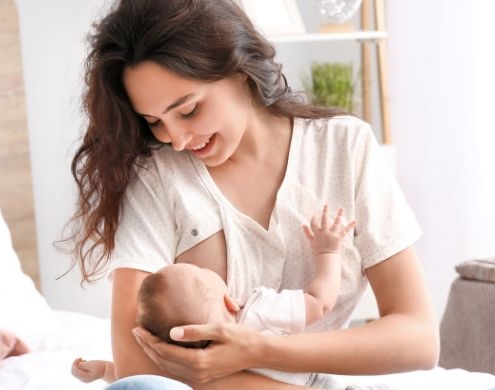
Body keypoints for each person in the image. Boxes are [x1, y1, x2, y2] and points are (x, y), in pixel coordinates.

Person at [67, 0, 440, 388]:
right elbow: (135, 365)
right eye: (154, 122)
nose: (176, 140)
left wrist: (261, 351)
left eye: (189, 110)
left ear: (239, 71)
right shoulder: (159, 176)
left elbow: (418, 338)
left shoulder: (343, 147)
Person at [72, 206, 354, 387]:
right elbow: (320, 302)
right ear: (229, 301)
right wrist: (328, 251)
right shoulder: (256, 310)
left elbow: (141, 379)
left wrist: (102, 370)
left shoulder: (191, 366)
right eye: (201, 271)